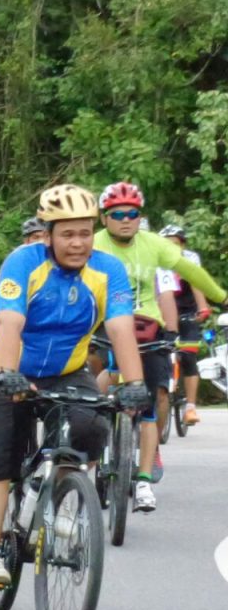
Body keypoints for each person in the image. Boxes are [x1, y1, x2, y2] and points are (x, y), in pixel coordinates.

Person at [0, 184, 149, 586]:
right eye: (67, 234)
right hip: (4, 365)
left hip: (67, 370)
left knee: (89, 425)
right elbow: (11, 322)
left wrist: (135, 383)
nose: (78, 242)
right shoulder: (23, 262)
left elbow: (120, 327)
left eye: (85, 232)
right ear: (48, 235)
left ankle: (63, 497)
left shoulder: (108, 269)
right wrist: (7, 374)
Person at [93, 181, 227, 511]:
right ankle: (94, 444)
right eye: (118, 214)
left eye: (133, 214)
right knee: (95, 387)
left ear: (140, 217)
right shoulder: (93, 244)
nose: (126, 219)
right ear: (104, 218)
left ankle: (142, 480)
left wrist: (222, 297)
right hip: (102, 325)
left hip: (146, 328)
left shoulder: (154, 244)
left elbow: (189, 272)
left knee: (150, 404)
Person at [157, 224, 211, 426]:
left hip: (188, 311)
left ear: (182, 245)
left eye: (176, 243)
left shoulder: (190, 258)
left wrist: (203, 307)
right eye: (167, 243)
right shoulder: (156, 258)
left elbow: (197, 283)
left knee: (188, 356)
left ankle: (190, 407)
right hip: (162, 310)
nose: (171, 247)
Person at [0, 217, 47, 329]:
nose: (41, 242)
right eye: (36, 237)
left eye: (44, 237)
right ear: (26, 241)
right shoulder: (18, 259)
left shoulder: (58, 257)